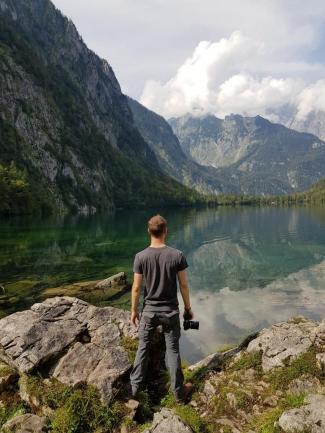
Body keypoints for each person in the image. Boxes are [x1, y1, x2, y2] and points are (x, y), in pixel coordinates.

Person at [129, 214, 194, 403]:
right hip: (170, 312)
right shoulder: (177, 255)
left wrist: (134, 311)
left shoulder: (140, 257)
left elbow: (135, 288)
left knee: (143, 348)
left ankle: (133, 390)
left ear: (149, 232)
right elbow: (183, 286)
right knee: (172, 350)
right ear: (166, 231)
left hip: (148, 312)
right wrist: (188, 308)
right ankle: (178, 394)